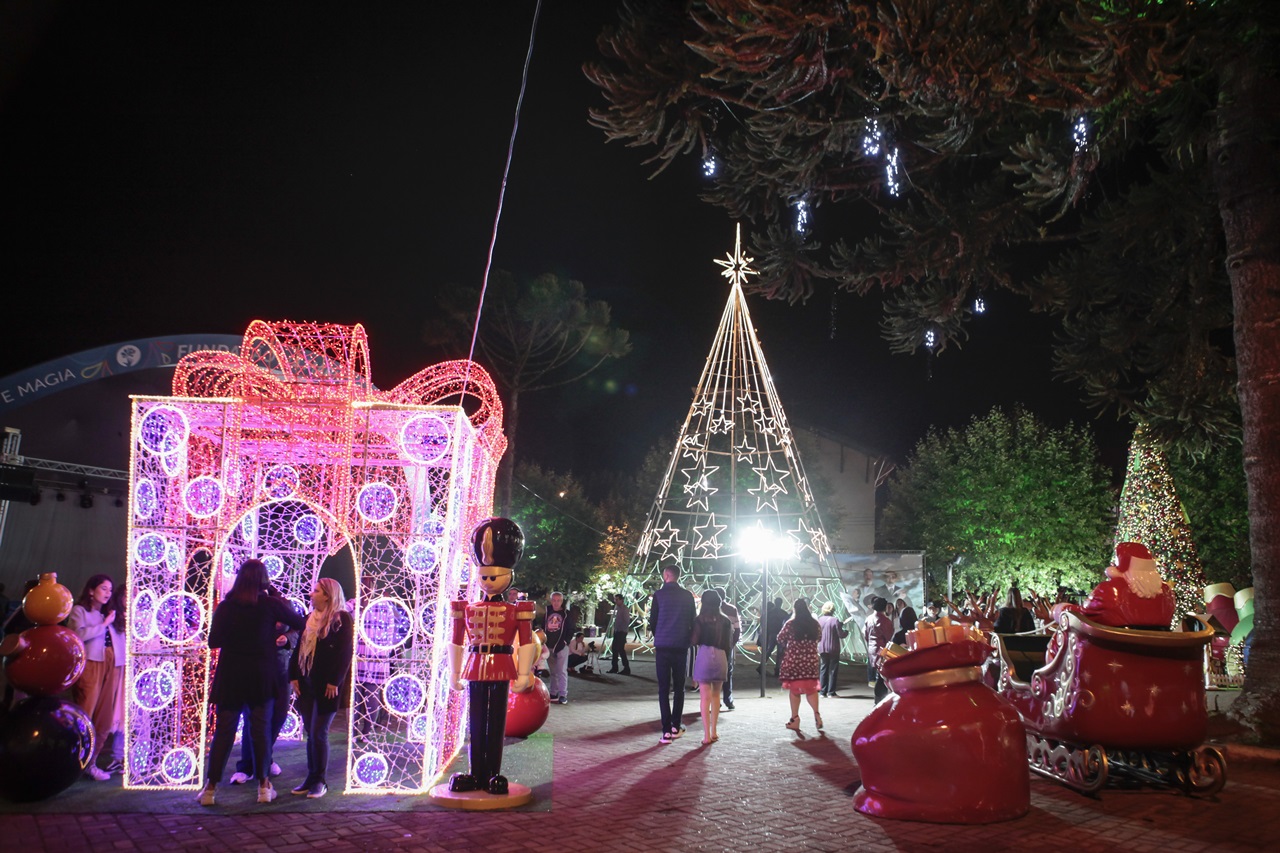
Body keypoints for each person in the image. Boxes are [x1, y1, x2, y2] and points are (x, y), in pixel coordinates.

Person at [198, 559, 306, 807]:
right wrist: (271, 631)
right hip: (260, 676)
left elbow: (213, 641)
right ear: (263, 580)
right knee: (261, 732)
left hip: (231, 676)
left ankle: (210, 789)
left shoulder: (226, 607)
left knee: (224, 733)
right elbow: (301, 622)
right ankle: (264, 787)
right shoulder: (270, 605)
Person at [445, 517, 536, 796]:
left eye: (493, 576)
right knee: (475, 720)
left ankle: (493, 774)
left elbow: (525, 643)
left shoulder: (516, 610)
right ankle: (476, 773)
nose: (488, 581)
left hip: (500, 666)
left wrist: (524, 673)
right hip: (475, 666)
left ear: (509, 576)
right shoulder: (467, 607)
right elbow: (457, 641)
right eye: (484, 576)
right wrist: (453, 672)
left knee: (496, 722)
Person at [288, 577, 354, 800]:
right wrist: (294, 675)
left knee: (318, 732)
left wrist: (335, 681)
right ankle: (311, 777)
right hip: (306, 684)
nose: (311, 594)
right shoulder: (309, 619)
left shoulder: (341, 619)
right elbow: (298, 649)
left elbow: (345, 653)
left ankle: (320, 780)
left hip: (327, 687)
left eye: (316, 591)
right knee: (311, 733)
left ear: (328, 595)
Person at [231, 585, 296, 784]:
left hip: (281, 670)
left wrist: (287, 639)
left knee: (278, 717)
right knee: (253, 719)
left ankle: (265, 760)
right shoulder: (246, 606)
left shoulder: (282, 603)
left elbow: (297, 628)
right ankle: (247, 766)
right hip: (255, 672)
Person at [67, 574, 121, 781]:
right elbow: (77, 636)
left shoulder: (107, 615)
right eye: (103, 588)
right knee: (85, 714)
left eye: (110, 589)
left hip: (111, 665)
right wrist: (105, 624)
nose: (108, 593)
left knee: (105, 717)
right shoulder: (80, 612)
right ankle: (75, 762)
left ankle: (92, 762)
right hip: (91, 664)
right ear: (91, 590)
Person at [1054, 542, 1176, 629]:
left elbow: (1084, 615)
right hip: (1159, 651)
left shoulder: (1110, 589)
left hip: (1114, 651)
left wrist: (1060, 609)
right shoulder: (1166, 592)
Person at [649, 561, 695, 744]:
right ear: (678, 576)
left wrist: (659, 634)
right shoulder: (687, 596)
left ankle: (666, 730)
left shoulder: (659, 595)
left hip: (662, 646)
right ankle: (676, 724)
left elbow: (653, 621)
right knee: (679, 688)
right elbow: (692, 619)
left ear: (666, 576)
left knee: (663, 689)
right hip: (680, 646)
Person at [690, 588, 733, 745]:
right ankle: (714, 731)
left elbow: (694, 640)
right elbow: (729, 643)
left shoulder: (700, 620)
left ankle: (706, 735)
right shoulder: (726, 621)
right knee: (716, 696)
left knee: (704, 697)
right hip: (721, 656)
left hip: (705, 654)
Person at [777, 598, 823, 733]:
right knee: (811, 689)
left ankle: (795, 719)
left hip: (794, 661)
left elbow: (780, 638)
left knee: (794, 691)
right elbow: (819, 638)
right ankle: (817, 714)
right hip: (810, 661)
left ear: (795, 609)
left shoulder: (790, 624)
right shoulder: (815, 624)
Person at [542, 591, 574, 704]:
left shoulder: (566, 614)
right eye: (554, 600)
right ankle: (553, 693)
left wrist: (565, 642)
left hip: (561, 646)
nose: (556, 603)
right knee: (554, 672)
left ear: (562, 601)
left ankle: (563, 694)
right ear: (551, 601)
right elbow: (542, 626)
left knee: (562, 671)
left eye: (558, 600)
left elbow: (571, 629)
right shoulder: (547, 612)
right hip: (549, 645)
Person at [863, 596, 894, 702]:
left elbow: (866, 635)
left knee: (878, 676)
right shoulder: (885, 621)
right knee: (881, 677)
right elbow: (888, 637)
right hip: (882, 650)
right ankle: (879, 701)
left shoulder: (868, 619)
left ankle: (879, 700)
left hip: (872, 649)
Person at [817, 601, 849, 698]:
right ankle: (831, 692)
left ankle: (822, 692)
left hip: (822, 647)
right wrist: (846, 632)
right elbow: (841, 634)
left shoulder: (819, 620)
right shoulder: (835, 620)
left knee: (823, 669)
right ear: (833, 610)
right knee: (833, 670)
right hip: (833, 648)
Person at [717, 587, 740, 710]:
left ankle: (715, 699)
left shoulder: (709, 610)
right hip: (727, 646)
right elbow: (737, 629)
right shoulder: (732, 609)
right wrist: (732, 643)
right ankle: (728, 699)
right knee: (727, 672)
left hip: (712, 645)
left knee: (712, 673)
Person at [756, 597, 786, 677]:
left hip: (771, 634)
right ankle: (777, 669)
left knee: (768, 651)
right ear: (781, 603)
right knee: (779, 653)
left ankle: (761, 666)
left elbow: (763, 622)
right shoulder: (783, 613)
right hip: (780, 634)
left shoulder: (769, 613)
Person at [607, 593, 631, 674]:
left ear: (621, 600)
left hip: (622, 632)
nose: (615, 601)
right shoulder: (617, 608)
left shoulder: (625, 609)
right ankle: (614, 667)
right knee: (614, 649)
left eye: (617, 599)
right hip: (617, 631)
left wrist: (622, 630)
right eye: (615, 599)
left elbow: (626, 621)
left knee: (621, 649)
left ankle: (626, 668)